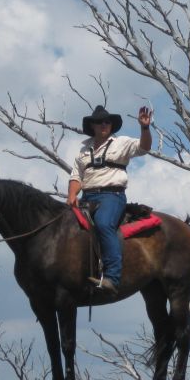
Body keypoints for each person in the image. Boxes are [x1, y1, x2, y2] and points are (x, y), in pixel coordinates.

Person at [67, 104, 152, 295]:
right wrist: (71, 196)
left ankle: (112, 277)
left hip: (112, 196)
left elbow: (144, 148)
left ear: (111, 125)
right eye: (99, 122)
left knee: (104, 224)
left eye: (107, 121)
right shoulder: (83, 150)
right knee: (66, 227)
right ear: (93, 126)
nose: (104, 124)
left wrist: (145, 128)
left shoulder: (121, 142)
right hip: (86, 197)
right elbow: (76, 177)